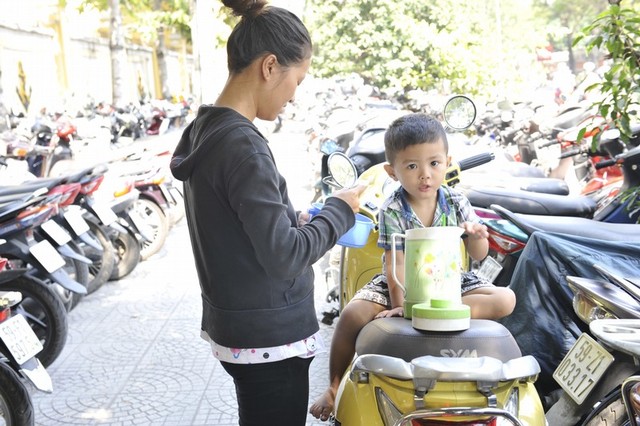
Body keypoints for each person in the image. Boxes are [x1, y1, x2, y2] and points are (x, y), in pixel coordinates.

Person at [169, 1, 365, 425]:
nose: (295, 94)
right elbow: (285, 256)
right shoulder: (243, 145)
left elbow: (240, 226)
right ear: (270, 66)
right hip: (270, 340)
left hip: (237, 329)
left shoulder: (207, 129)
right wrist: (338, 210)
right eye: (298, 79)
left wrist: (291, 219)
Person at [310, 113, 516, 421]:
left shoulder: (456, 201)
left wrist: (477, 237)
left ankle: (440, 311)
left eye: (434, 164)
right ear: (392, 172)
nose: (425, 175)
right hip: (402, 282)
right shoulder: (392, 207)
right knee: (351, 315)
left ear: (447, 162)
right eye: (411, 166)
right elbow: (395, 261)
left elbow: (479, 253)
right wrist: (401, 305)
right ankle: (335, 385)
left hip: (451, 281)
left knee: (506, 299)